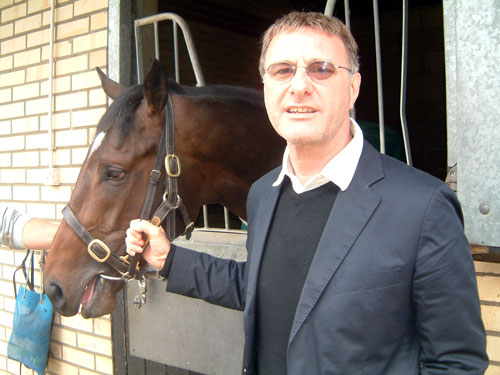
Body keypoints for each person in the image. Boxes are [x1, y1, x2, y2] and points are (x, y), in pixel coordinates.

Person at [125, 11, 488, 375]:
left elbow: (455, 363)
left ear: (353, 88)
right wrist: (169, 259)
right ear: (265, 86)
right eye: (283, 70)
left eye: (321, 69)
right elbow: (260, 286)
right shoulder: (263, 194)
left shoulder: (423, 205)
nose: (299, 85)